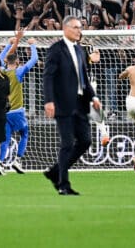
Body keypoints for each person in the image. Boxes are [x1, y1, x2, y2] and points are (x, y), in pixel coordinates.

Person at [42, 17, 98, 195]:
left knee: (86, 141)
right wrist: (49, 100)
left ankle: (55, 171)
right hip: (62, 103)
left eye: (80, 28)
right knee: (67, 143)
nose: (79, 31)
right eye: (76, 27)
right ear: (65, 28)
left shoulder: (80, 50)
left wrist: (94, 97)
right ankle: (63, 184)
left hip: (80, 104)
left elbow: (84, 79)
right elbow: (48, 76)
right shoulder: (55, 50)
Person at [0, 30, 39, 173]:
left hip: (4, 112)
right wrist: (32, 45)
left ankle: (0, 163)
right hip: (17, 111)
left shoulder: (1, 72)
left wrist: (8, 45)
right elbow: (34, 60)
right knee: (24, 133)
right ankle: (18, 160)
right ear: (17, 62)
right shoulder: (18, 72)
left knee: (5, 139)